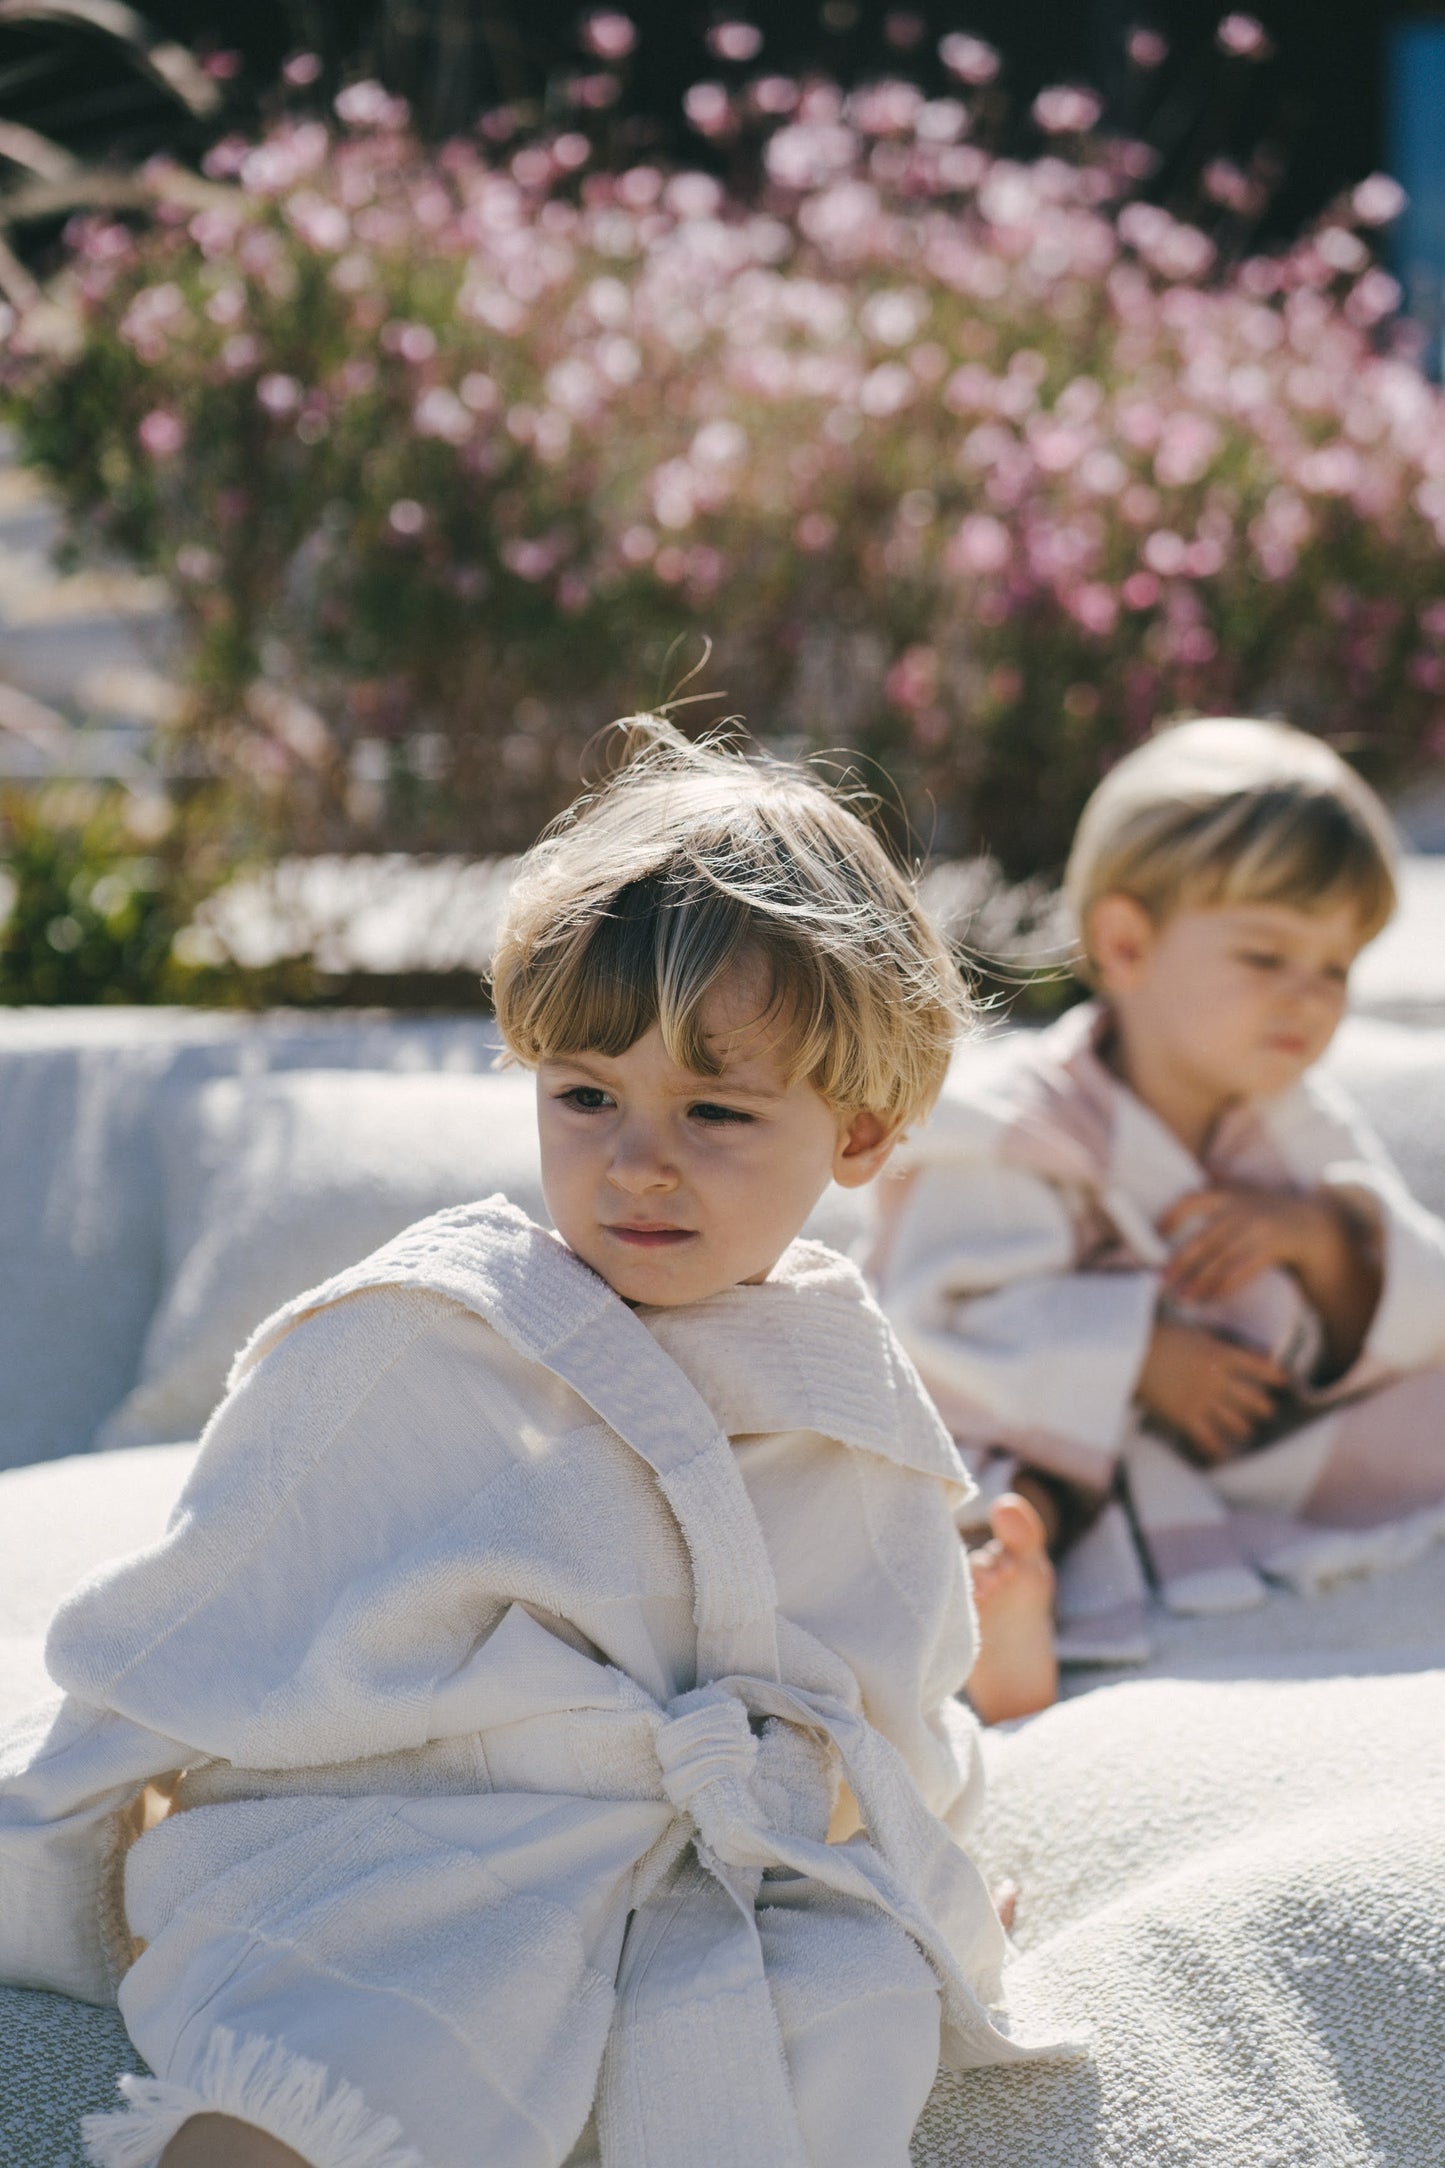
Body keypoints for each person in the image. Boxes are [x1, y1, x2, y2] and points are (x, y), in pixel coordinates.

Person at [0, 720, 1055, 2168]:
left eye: (717, 1110)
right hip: (422, 1824)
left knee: (845, 2018)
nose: (639, 1161)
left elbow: (884, 1693)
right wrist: (56, 1846)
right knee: (343, 2042)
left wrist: (911, 1858)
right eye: (585, 1096)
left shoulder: (848, 1392)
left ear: (860, 1131)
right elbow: (207, 1598)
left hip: (707, 1855)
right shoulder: (433, 1335)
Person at [876, 717, 1445, 1725]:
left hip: (1231, 1440)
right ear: (1125, 943)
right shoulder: (1024, 1121)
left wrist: (1321, 1241)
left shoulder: (1285, 1114)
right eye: (1265, 954)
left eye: (1334, 967)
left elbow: (1416, 1292)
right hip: (1035, 1423)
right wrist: (1135, 1352)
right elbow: (932, 1311)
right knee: (973, 1481)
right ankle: (1005, 1586)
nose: (1306, 1000)